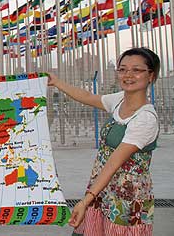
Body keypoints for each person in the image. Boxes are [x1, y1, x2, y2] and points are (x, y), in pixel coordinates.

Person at [48, 47, 160, 236]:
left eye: (137, 70)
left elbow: (114, 162)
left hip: (127, 197)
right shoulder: (119, 101)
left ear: (151, 76)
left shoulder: (145, 119)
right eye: (123, 69)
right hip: (102, 190)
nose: (128, 75)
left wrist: (85, 201)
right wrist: (57, 82)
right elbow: (88, 97)